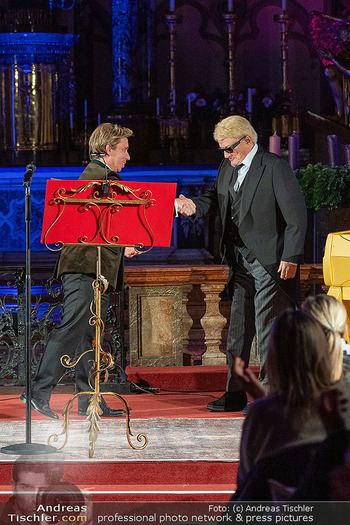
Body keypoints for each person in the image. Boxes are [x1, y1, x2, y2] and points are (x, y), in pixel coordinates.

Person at [176, 115, 307, 412]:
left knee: (268, 329)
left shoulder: (274, 167)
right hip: (240, 261)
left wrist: (291, 255)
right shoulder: (228, 166)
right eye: (222, 149)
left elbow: (296, 216)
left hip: (271, 260)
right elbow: (215, 197)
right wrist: (193, 205)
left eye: (230, 148)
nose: (225, 155)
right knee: (237, 332)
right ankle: (234, 393)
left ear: (248, 140)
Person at [21, 123, 140, 420]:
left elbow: (101, 219)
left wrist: (122, 243)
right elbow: (102, 212)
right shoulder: (99, 176)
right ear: (109, 149)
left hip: (91, 267)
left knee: (90, 336)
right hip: (84, 269)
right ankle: (37, 392)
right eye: (124, 149)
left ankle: (91, 402)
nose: (128, 156)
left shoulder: (100, 178)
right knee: (72, 328)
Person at [235, 309, 337, 498]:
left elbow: (246, 481)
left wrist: (263, 403)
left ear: (274, 358)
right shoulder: (339, 406)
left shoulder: (261, 414)